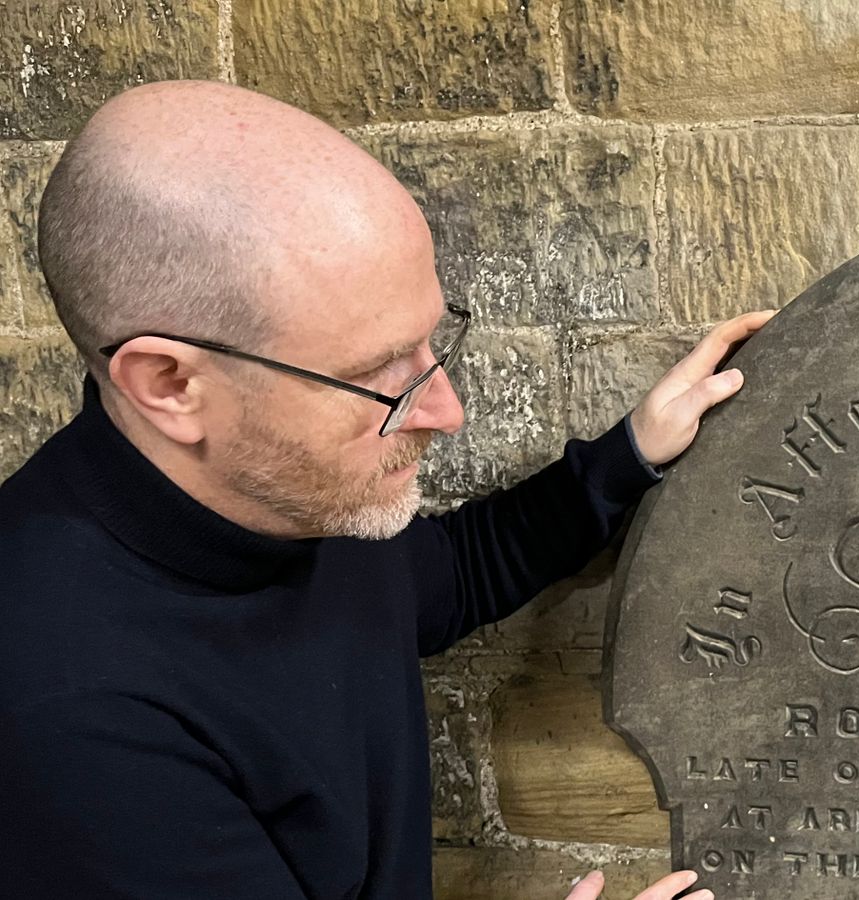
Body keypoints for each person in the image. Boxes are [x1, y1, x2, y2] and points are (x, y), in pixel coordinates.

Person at [0, 80, 771, 899]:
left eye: (432, 343)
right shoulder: (64, 716)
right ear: (170, 383)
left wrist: (628, 455)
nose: (446, 409)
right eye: (380, 377)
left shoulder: (286, 497)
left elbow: (444, 577)